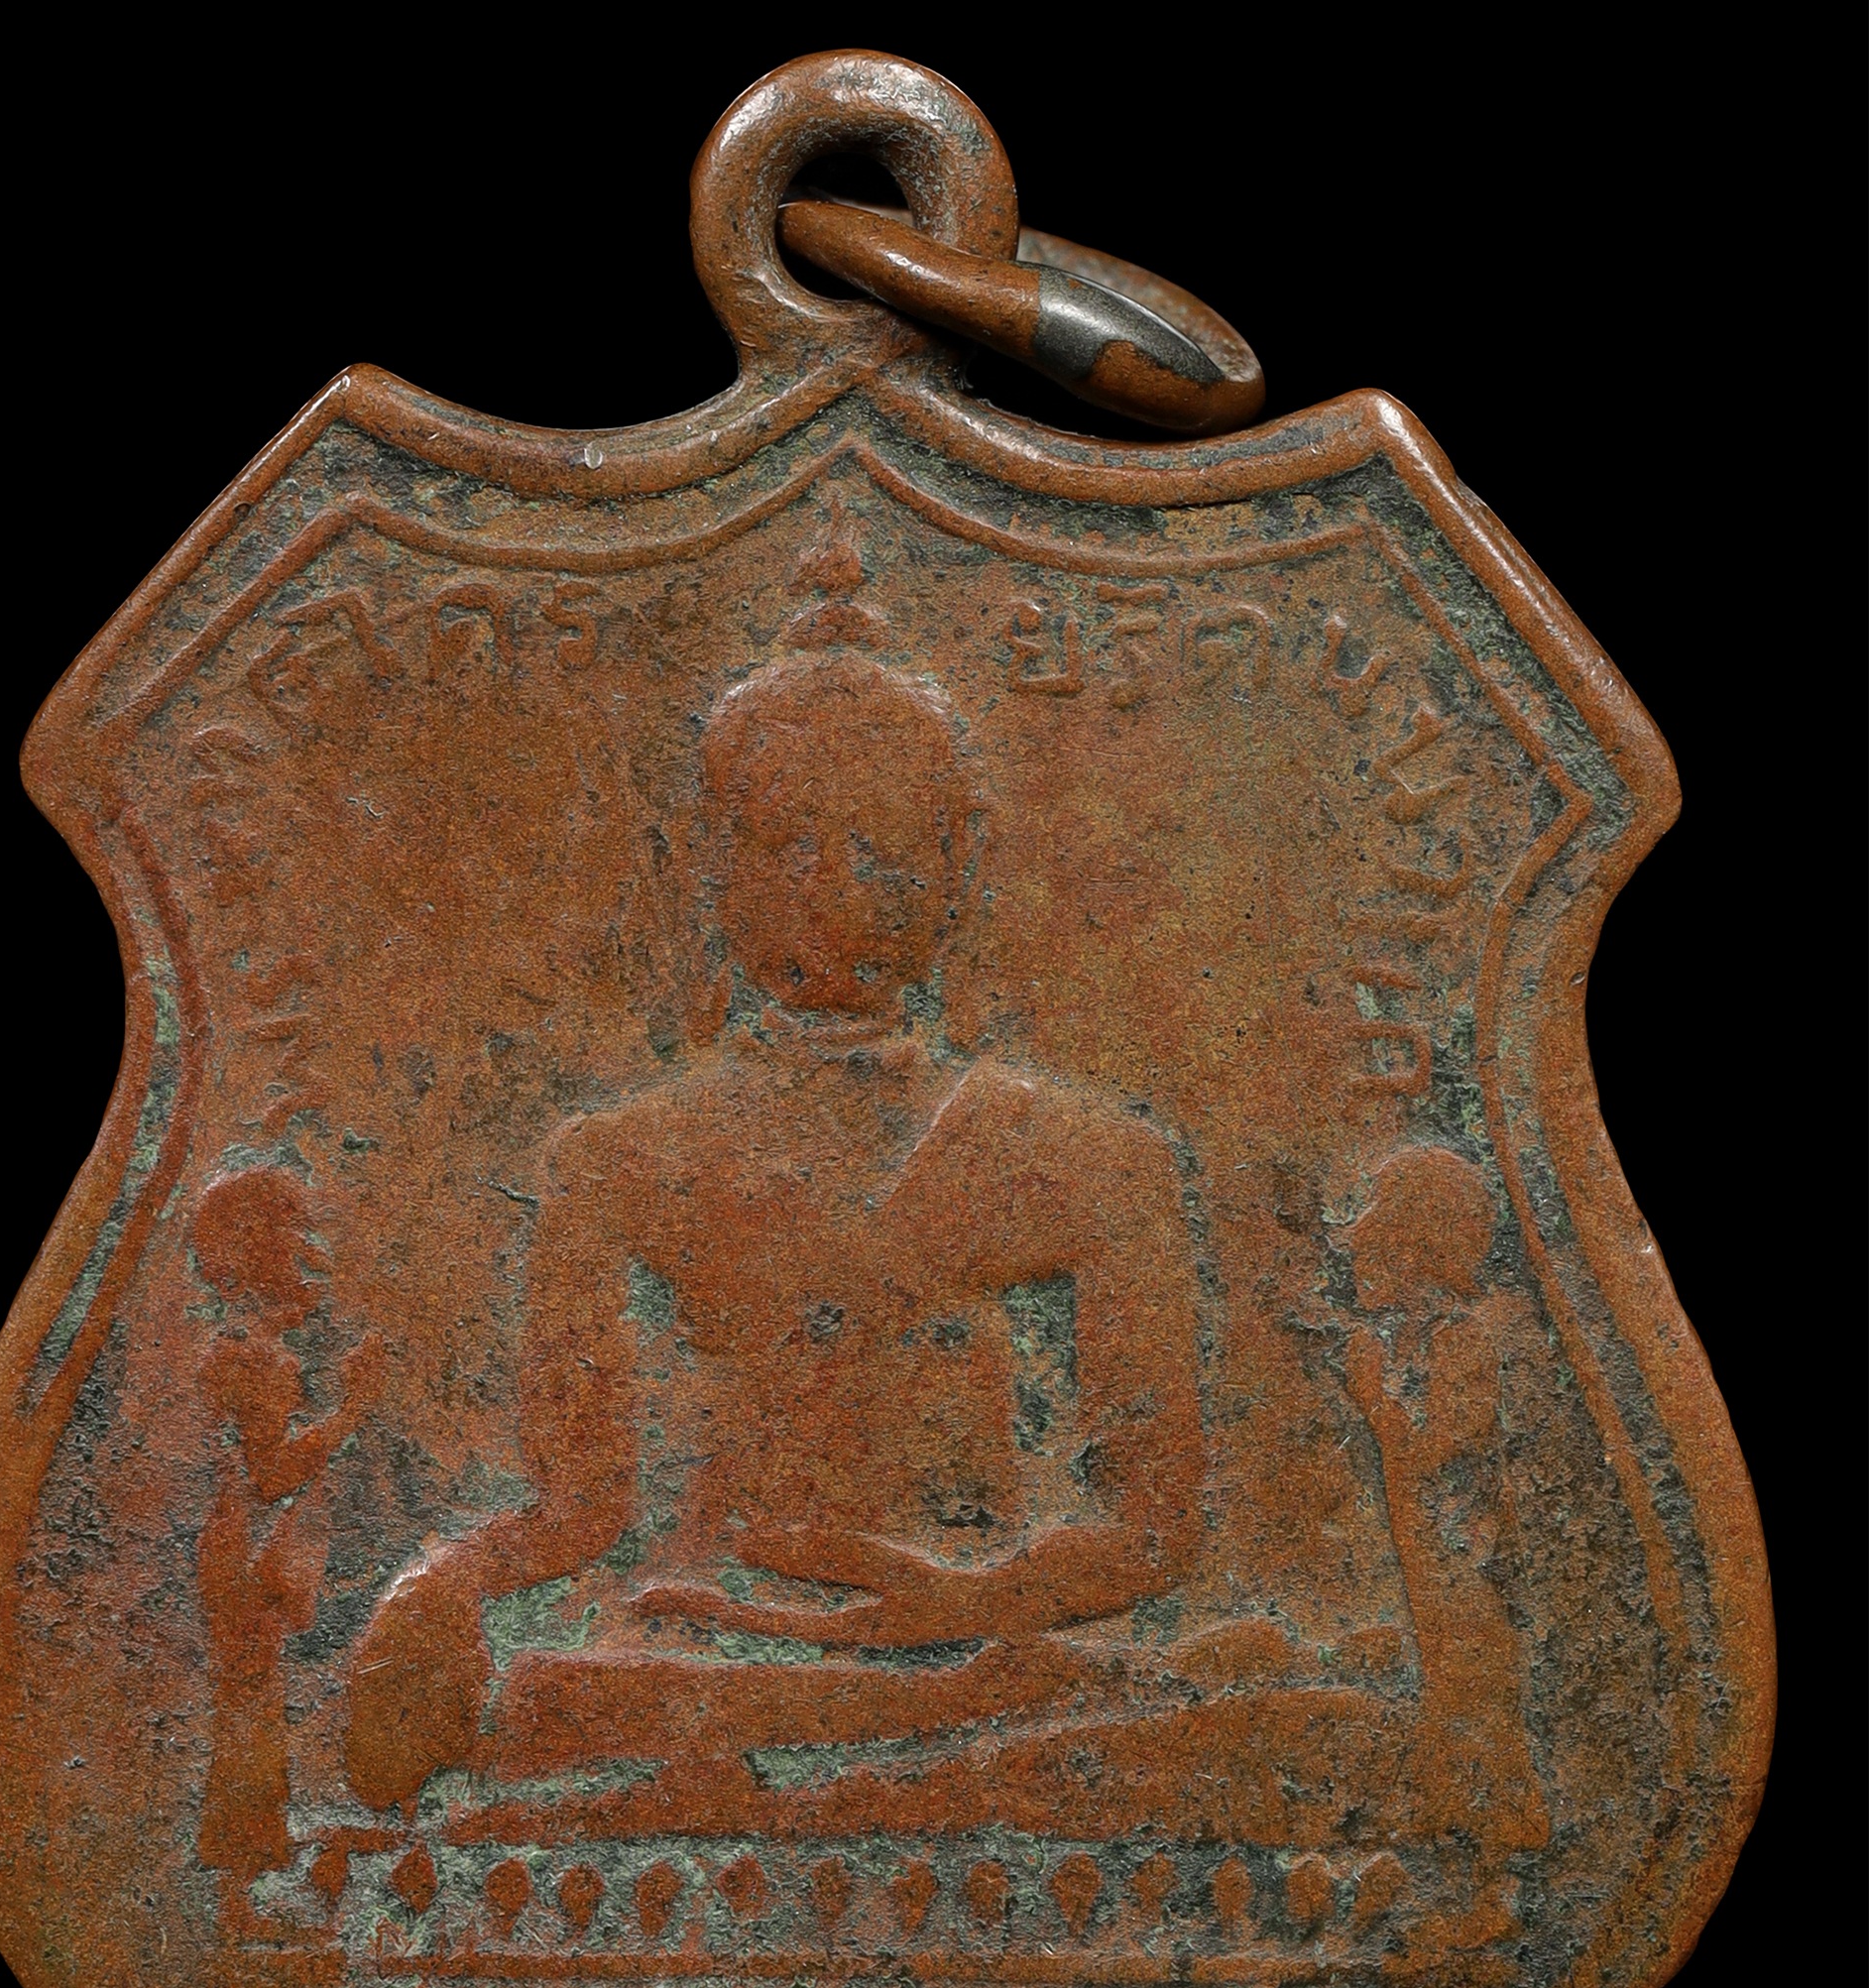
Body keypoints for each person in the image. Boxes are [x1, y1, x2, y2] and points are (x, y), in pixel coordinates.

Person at [345, 648, 1207, 1810]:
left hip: (985, 1649)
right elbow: (578, 1509)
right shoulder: (621, 1158)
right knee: (566, 1703)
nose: (834, 887)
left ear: (957, 862)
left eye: (881, 847)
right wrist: (443, 1584)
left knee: (1194, 1707)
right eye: (789, 845)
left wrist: (971, 1599)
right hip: (715, 1643)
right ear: (717, 865)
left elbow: (1152, 1531)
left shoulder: (1089, 1156)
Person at [1343, 1146, 1550, 1852]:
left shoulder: (1463, 1339)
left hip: (1467, 1564)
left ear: (1418, 1242)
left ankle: (1507, 1821)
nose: (1355, 1238)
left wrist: (1374, 1400)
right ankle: (1462, 1818)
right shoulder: (1420, 1339)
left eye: (1372, 1220)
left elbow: (1437, 1453)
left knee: (1473, 1690)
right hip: (1435, 1559)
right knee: (1448, 1683)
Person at [192, 1169, 379, 1876]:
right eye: (293, 1237)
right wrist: (350, 1411)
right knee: (250, 1701)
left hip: (237, 1549)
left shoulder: (244, 1347)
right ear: (252, 1255)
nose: (309, 1254)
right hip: (244, 1555)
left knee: (252, 1699)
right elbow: (272, 1475)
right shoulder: (254, 1357)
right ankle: (242, 1853)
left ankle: (251, 1844)